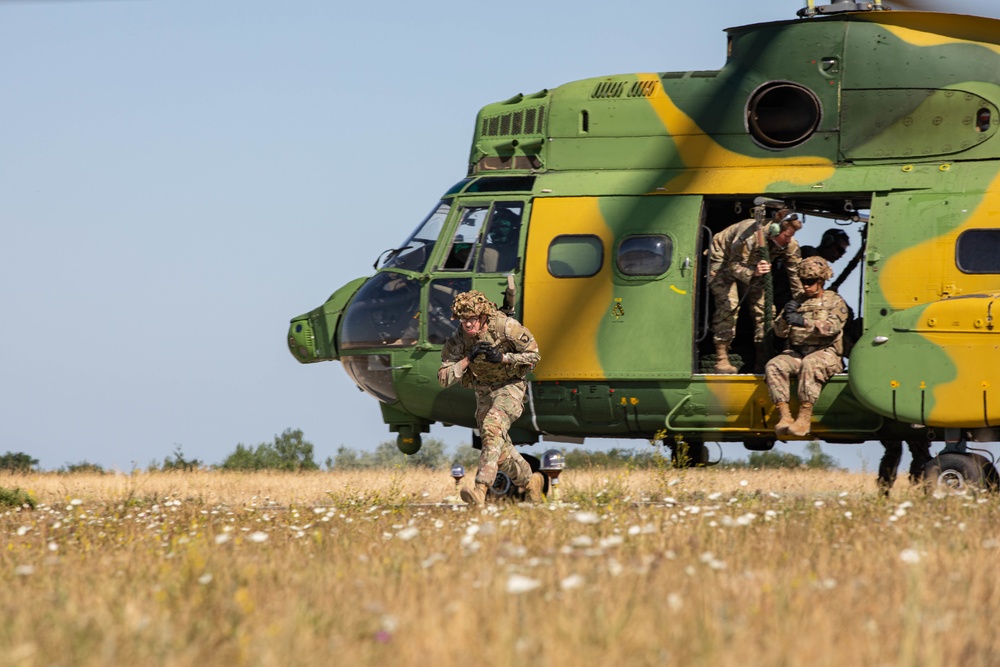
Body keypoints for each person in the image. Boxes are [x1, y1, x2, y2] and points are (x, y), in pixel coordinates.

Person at [438, 290, 544, 505]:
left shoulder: (506, 327)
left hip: (511, 387)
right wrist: (468, 358)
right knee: (498, 448)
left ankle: (480, 490)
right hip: (484, 392)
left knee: (491, 427)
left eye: (472, 319)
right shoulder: (458, 340)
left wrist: (503, 358)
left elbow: (534, 356)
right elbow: (443, 378)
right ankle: (531, 481)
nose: (467, 325)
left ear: (484, 317)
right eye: (464, 320)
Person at [708, 208, 804, 374]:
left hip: (755, 264)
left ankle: (762, 360)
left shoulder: (790, 244)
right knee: (728, 305)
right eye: (787, 235)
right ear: (775, 230)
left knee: (764, 310)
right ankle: (721, 359)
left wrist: (802, 302)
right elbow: (734, 265)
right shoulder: (749, 237)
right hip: (725, 258)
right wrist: (753, 272)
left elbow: (795, 276)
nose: (790, 240)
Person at [765, 256, 849, 437]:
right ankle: (785, 415)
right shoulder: (798, 301)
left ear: (821, 280)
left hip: (826, 354)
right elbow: (779, 332)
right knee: (774, 365)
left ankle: (804, 417)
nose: (806, 286)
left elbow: (831, 328)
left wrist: (803, 321)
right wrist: (786, 318)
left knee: (810, 364)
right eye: (803, 282)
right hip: (797, 352)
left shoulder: (834, 301)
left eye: (810, 282)